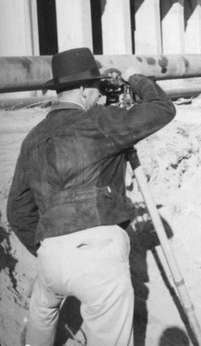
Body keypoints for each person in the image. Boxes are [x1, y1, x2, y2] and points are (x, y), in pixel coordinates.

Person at [6, 47, 176, 346]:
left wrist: (48, 244)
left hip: (50, 254)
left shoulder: (32, 138)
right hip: (98, 253)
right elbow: (162, 108)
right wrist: (134, 77)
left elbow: (18, 211)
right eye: (96, 88)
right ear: (84, 90)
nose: (99, 94)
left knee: (42, 316)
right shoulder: (100, 121)